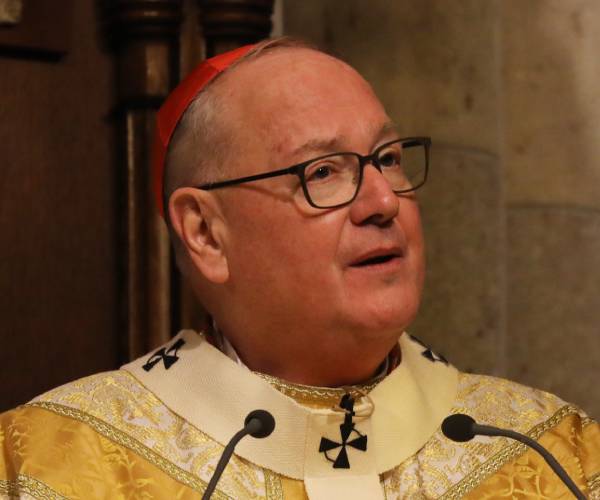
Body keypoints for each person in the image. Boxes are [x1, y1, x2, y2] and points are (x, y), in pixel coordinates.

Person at [1, 37, 598, 499]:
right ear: (207, 233)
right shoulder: (53, 467)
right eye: (323, 172)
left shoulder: (555, 456)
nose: (384, 201)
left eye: (386, 159)